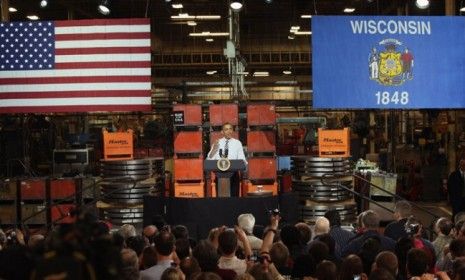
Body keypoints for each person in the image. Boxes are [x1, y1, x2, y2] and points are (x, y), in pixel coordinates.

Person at [207, 123, 247, 197]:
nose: (229, 131)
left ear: (232, 131)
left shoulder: (237, 143)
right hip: (219, 174)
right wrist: (214, 149)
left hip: (234, 175)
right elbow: (209, 159)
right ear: (222, 132)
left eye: (230, 129)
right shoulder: (217, 143)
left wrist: (242, 164)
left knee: (234, 198)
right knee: (221, 200)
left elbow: (242, 160)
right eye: (226, 129)